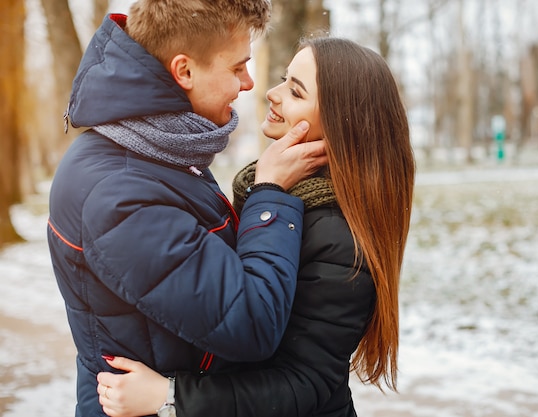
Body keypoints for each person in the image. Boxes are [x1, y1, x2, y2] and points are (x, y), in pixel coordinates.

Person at [96, 36, 416, 417]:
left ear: (338, 124)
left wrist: (169, 396)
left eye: (295, 92)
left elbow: (305, 384)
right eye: (284, 79)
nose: (272, 93)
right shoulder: (287, 197)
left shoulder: (337, 235)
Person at [46, 1, 327, 416]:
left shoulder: (159, 147)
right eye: (236, 67)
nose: (249, 83)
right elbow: (250, 323)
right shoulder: (118, 194)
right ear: (185, 71)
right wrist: (269, 194)